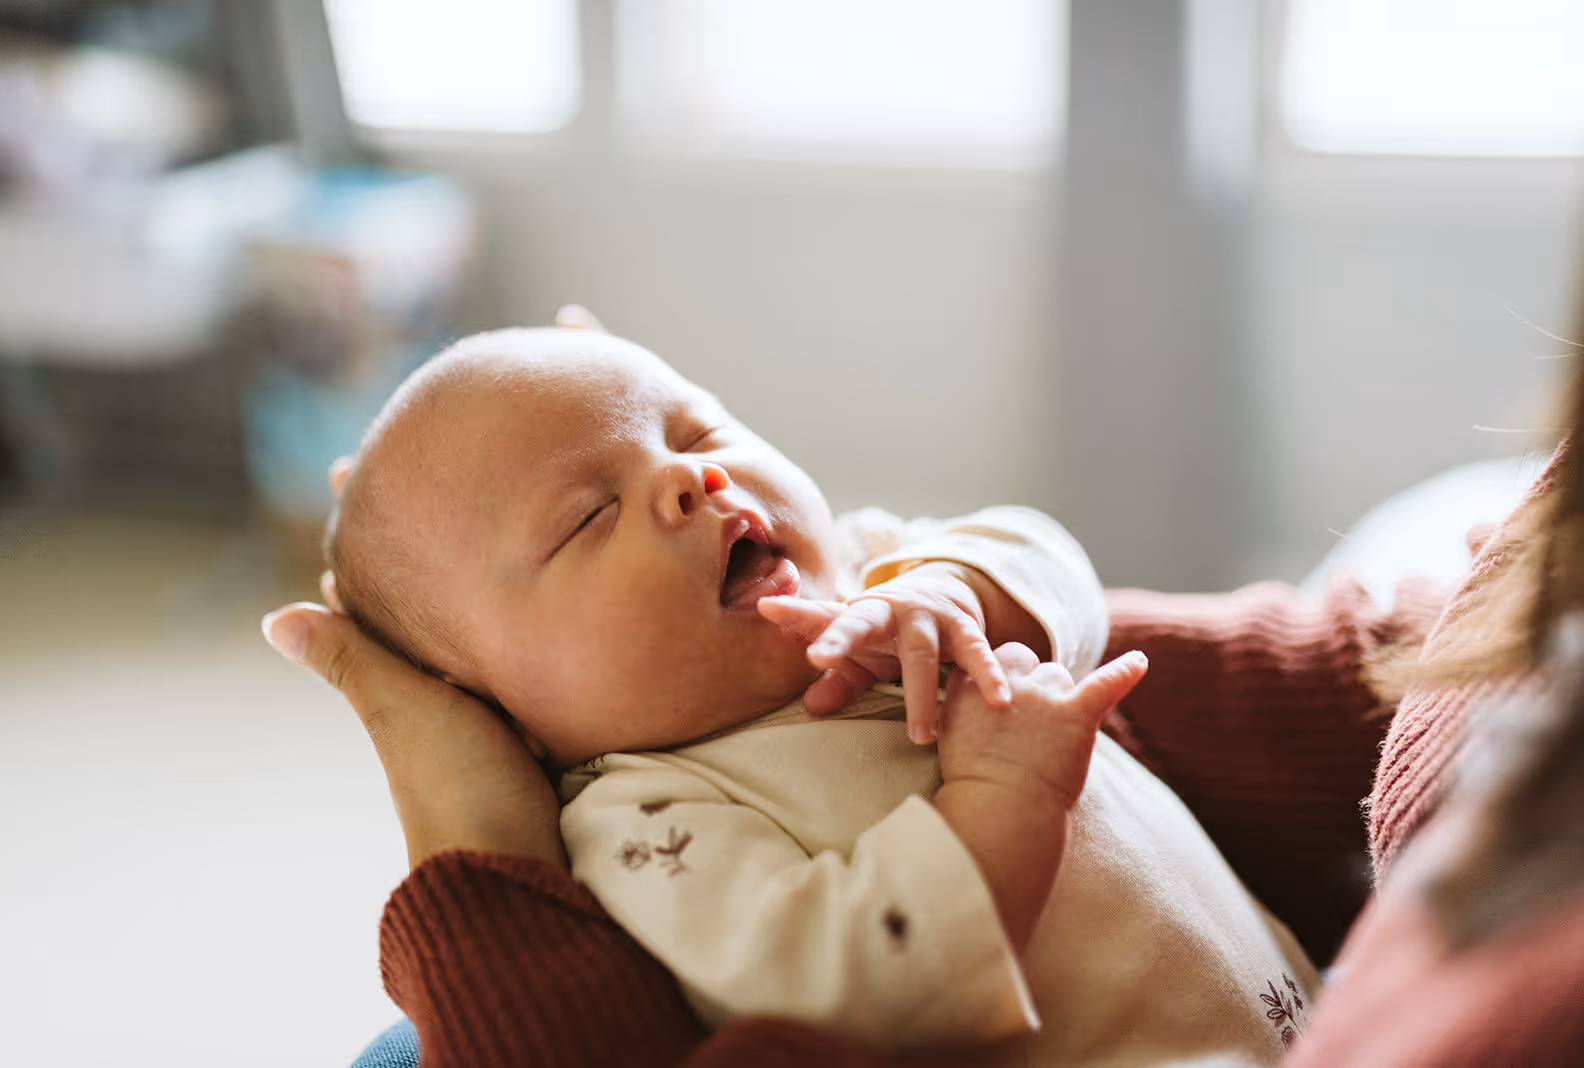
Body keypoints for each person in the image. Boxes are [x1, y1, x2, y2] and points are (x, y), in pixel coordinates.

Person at [264, 328, 1583, 1067]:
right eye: (585, 516)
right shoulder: (653, 819)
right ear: (509, 711)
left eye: (698, 432)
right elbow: (837, 983)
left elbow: (1043, 559)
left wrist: (959, 582)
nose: (689, 485)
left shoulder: (884, 578)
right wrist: (997, 801)